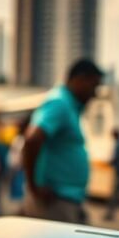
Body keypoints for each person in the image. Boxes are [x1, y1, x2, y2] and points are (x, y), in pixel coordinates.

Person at [22, 58, 104, 224]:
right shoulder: (59, 103)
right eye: (93, 86)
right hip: (55, 202)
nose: (94, 93)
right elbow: (32, 140)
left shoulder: (69, 106)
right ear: (79, 80)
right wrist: (34, 187)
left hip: (66, 199)